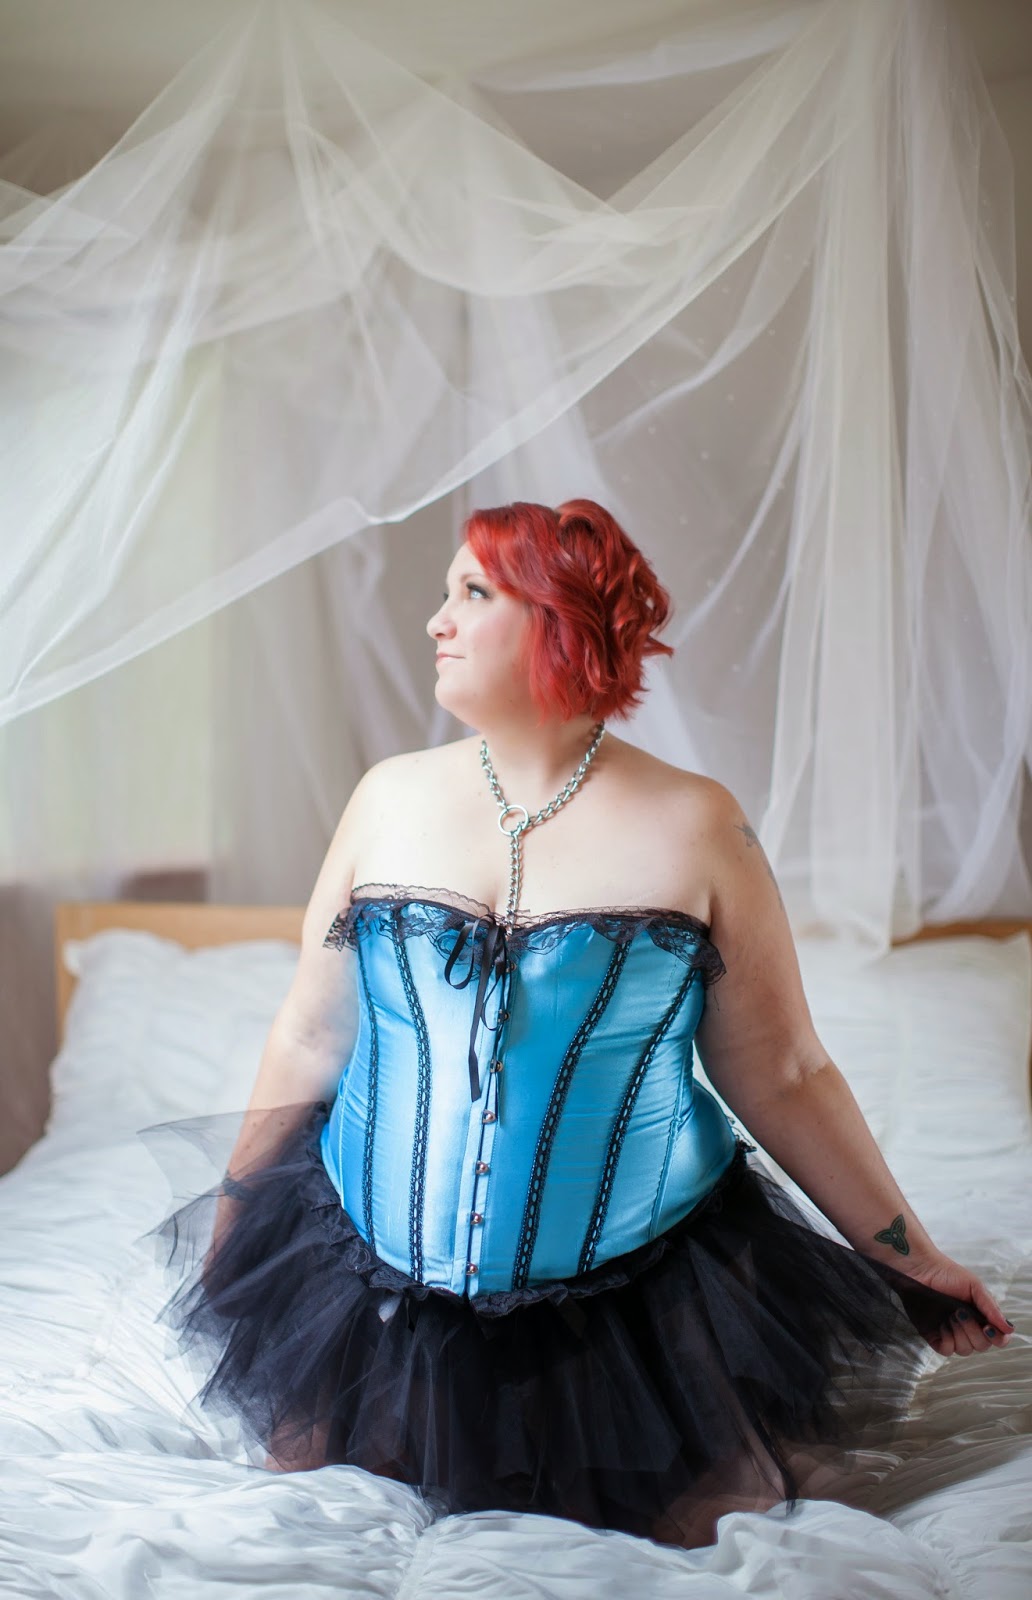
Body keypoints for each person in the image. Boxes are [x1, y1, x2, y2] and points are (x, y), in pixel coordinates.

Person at [146, 498, 1014, 1551]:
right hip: (371, 1294)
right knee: (317, 1492)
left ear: (557, 622)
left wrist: (912, 1258)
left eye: (473, 592)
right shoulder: (386, 798)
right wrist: (234, 1230)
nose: (436, 619)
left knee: (711, 1519)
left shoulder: (699, 824)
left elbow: (783, 1069)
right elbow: (309, 1036)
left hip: (638, 1308)